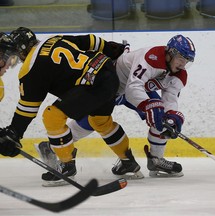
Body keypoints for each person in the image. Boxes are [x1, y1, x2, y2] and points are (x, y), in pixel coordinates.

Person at [0, 27, 141, 186]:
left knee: (52, 116)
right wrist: (113, 48)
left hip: (92, 85)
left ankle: (67, 166)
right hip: (108, 73)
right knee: (100, 122)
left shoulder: (30, 67)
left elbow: (28, 109)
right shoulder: (54, 38)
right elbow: (90, 40)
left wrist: (14, 132)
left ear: (21, 51)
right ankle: (128, 162)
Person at [64, 34, 196, 178]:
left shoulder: (180, 75)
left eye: (187, 60)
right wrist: (149, 105)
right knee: (94, 120)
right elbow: (132, 88)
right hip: (112, 85)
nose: (183, 64)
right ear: (170, 53)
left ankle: (156, 160)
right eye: (181, 58)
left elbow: (170, 99)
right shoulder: (151, 57)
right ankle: (56, 145)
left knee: (161, 116)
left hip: (136, 90)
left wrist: (171, 116)